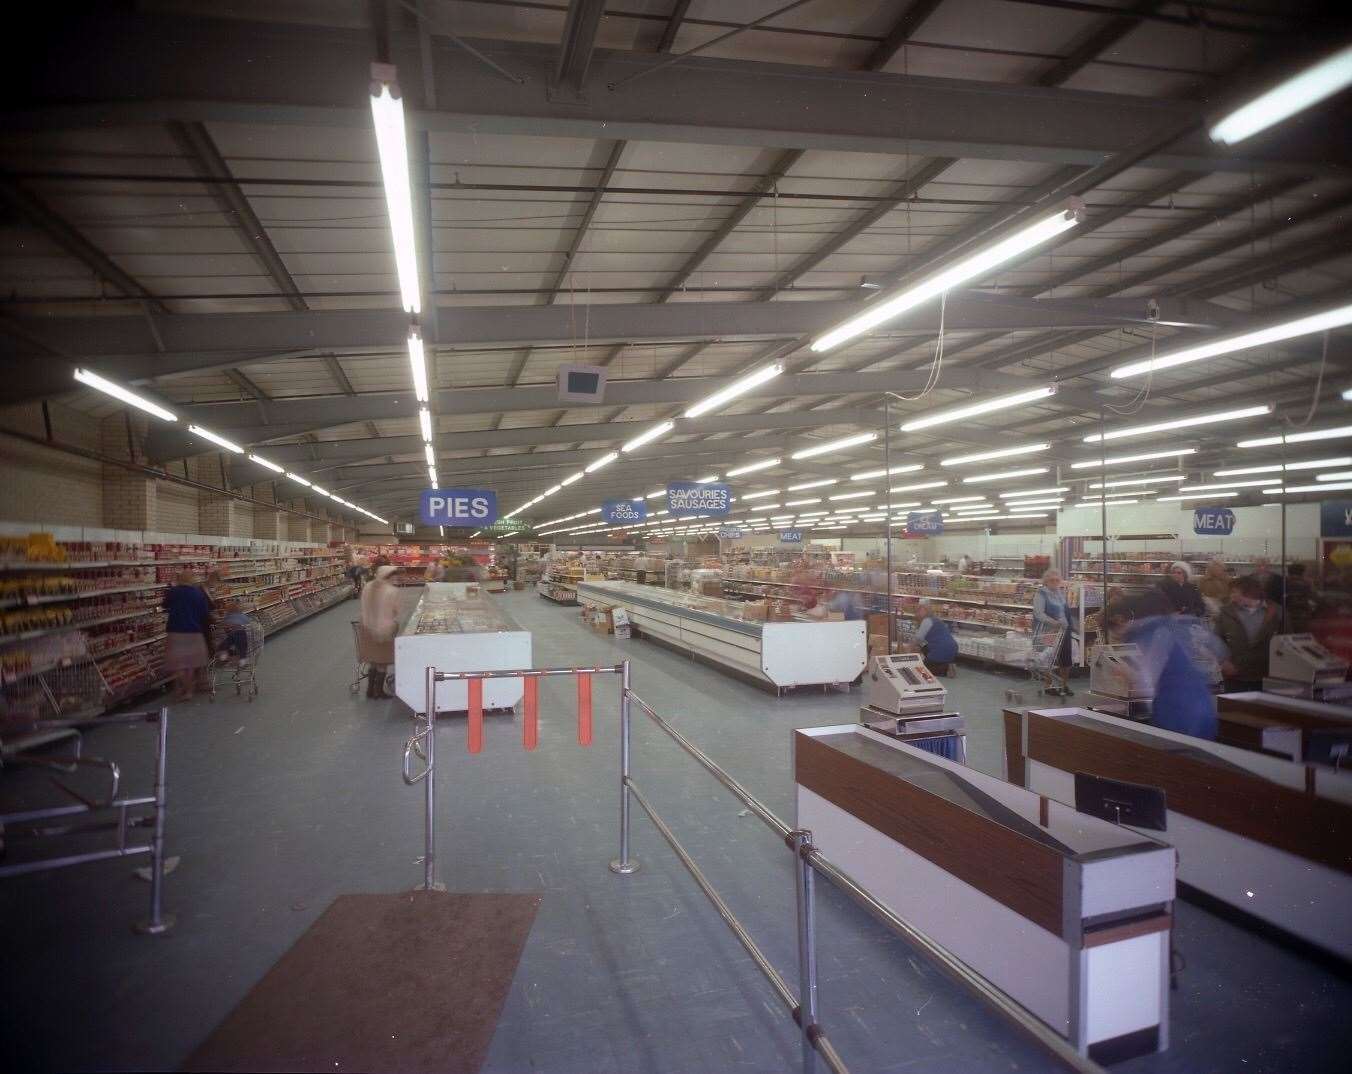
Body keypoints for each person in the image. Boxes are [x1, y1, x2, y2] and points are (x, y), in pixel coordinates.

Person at [1116, 591, 1222, 740]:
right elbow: (1220, 652)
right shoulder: (1185, 625)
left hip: (1173, 708)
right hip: (1203, 705)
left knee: (1172, 757)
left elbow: (1146, 678)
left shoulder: (1152, 631)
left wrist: (1125, 672)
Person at [1214, 575, 1281, 692]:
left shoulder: (1276, 612)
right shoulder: (1226, 612)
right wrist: (1223, 662)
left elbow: (1287, 641)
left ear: (1249, 593)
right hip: (1235, 676)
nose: (1231, 596)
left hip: (1267, 676)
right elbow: (1216, 640)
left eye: (1235, 592)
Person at [163, 570, 213, 701]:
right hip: (193, 631)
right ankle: (189, 691)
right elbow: (204, 613)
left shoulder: (173, 592)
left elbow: (164, 605)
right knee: (190, 664)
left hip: (175, 631)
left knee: (178, 664)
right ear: (192, 579)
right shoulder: (197, 593)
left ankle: (181, 689)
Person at [359, 564, 401, 699]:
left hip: (366, 629)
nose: (396, 577)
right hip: (384, 630)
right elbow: (396, 611)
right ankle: (379, 692)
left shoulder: (368, 586)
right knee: (382, 662)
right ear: (389, 576)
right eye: (394, 575)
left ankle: (370, 690)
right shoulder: (392, 590)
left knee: (373, 660)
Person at [1033, 568, 1074, 696]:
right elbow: (1038, 613)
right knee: (1048, 658)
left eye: (1057, 580)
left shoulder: (1060, 593)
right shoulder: (1041, 593)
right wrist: (1054, 623)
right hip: (1048, 631)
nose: (1055, 582)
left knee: (1066, 658)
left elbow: (1065, 611)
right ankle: (1048, 685)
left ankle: (1064, 685)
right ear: (1046, 581)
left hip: (1064, 630)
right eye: (1052, 580)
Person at [910, 600, 958, 675]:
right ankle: (947, 663)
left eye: (919, 611)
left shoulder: (926, 621)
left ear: (925, 611)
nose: (917, 614)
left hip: (942, 649)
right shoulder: (936, 619)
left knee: (924, 670)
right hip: (952, 649)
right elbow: (921, 643)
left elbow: (917, 639)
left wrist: (905, 652)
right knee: (923, 646)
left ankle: (946, 669)